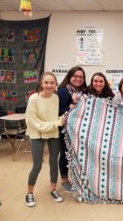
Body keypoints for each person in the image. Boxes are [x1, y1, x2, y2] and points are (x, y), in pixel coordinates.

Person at [25, 72, 65, 207]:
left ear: (55, 85)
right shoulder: (33, 98)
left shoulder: (56, 98)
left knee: (54, 162)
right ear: (41, 83)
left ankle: (53, 189)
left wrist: (61, 120)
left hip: (52, 132)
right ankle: (29, 193)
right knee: (37, 164)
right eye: (46, 82)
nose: (49, 85)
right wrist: (57, 123)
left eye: (52, 83)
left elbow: (53, 118)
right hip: (36, 132)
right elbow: (33, 122)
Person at [57, 66, 87, 192]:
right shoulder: (63, 91)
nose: (78, 79)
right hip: (66, 130)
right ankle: (64, 180)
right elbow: (60, 111)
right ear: (69, 77)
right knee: (65, 154)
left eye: (81, 77)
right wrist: (73, 104)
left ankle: (76, 178)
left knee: (77, 155)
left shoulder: (84, 92)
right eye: (75, 76)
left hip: (79, 130)